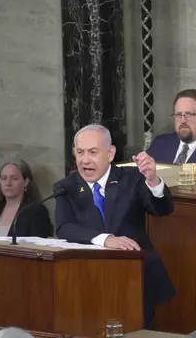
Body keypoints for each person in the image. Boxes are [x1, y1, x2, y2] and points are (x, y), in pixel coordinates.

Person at [54, 124, 175, 328]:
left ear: (110, 153)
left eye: (93, 152)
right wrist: (106, 239)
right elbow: (64, 228)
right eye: (80, 152)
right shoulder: (66, 187)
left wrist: (153, 180)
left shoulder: (132, 179)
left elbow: (162, 209)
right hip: (90, 281)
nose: (85, 160)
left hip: (137, 279)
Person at [0, 159, 52, 238]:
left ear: (26, 182)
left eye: (14, 178)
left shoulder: (36, 211)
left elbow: (39, 246)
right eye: (4, 178)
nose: (8, 183)